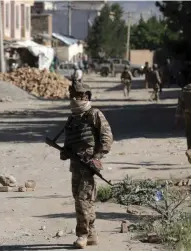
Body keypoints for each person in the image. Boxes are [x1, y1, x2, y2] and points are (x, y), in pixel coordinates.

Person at [60, 82, 113, 248]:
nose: (76, 98)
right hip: (75, 165)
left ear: (87, 96)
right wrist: (65, 152)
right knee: (80, 199)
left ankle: (82, 235)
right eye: (73, 95)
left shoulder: (94, 114)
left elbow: (107, 138)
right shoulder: (73, 118)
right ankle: (91, 233)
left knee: (83, 199)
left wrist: (96, 157)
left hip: (88, 164)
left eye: (79, 95)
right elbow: (69, 140)